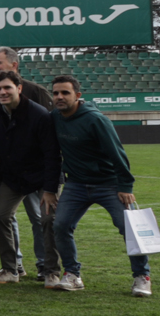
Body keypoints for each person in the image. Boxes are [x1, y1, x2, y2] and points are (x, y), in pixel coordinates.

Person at [46, 76, 149, 296]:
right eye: (56, 93)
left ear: (78, 96)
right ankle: (72, 274)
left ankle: (142, 276)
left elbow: (118, 154)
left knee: (129, 228)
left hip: (108, 184)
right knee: (61, 226)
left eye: (65, 93)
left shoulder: (96, 120)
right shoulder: (55, 116)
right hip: (75, 184)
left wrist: (125, 186)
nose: (60, 97)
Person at [0, 71, 60, 286]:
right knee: (1, 217)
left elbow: (52, 154)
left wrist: (50, 188)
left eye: (7, 87)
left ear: (19, 88)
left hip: (42, 177)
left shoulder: (39, 114)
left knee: (47, 220)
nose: (2, 92)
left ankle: (51, 272)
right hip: (13, 177)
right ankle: (10, 269)